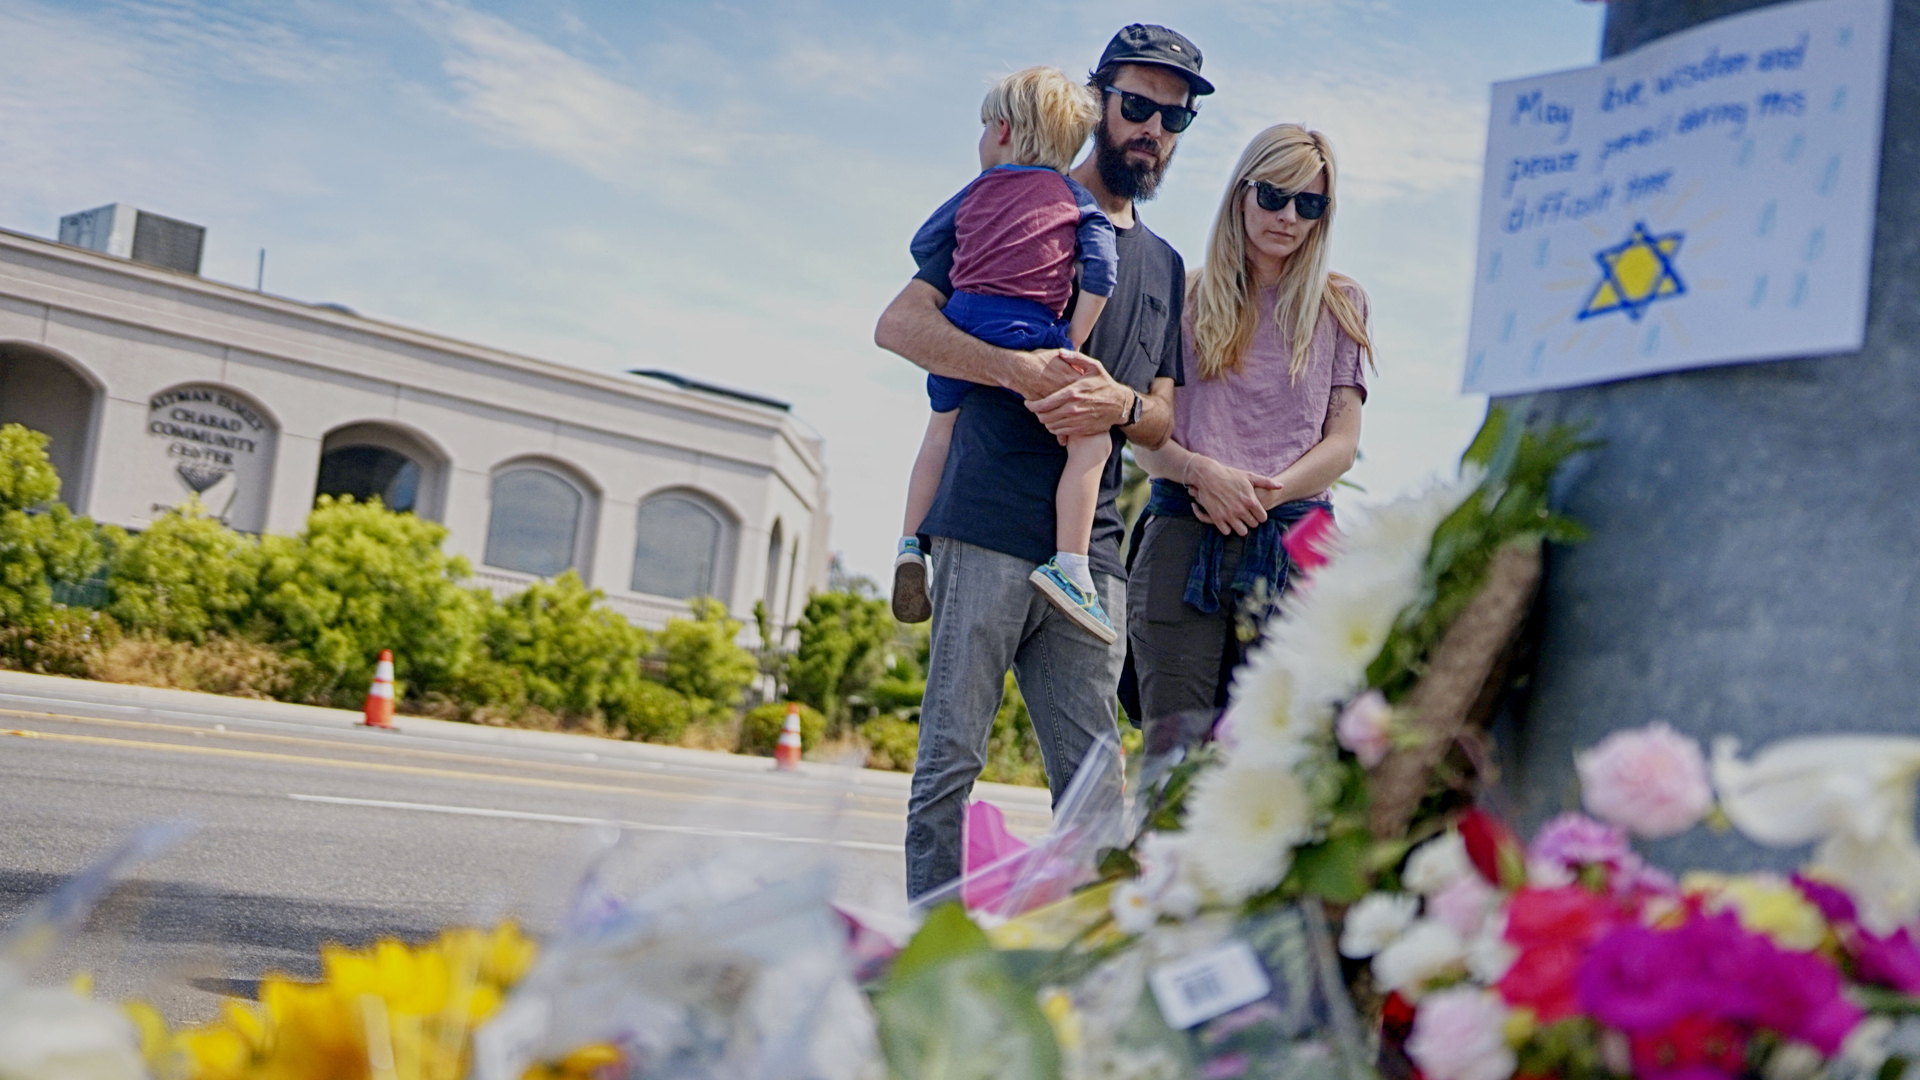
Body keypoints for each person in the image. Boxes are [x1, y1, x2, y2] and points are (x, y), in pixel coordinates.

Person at [875, 23, 1212, 902]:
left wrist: (1123, 407)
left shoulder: (1170, 267)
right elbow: (899, 325)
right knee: (949, 762)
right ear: (1098, 101)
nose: (1152, 130)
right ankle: (928, 958)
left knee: (1096, 790)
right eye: (1137, 106)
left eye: (1173, 120)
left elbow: (1164, 411)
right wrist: (1017, 369)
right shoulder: (1012, 197)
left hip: (1088, 555)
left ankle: (1084, 983)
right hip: (983, 521)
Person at [1129, 124, 1373, 724]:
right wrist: (1201, 474)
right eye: (1273, 195)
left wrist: (1263, 493)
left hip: (1297, 540)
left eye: (1309, 204)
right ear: (1241, 193)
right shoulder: (1180, 295)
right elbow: (1146, 437)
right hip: (1185, 533)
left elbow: (1342, 445)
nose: (1288, 216)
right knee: (1173, 764)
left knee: (1278, 759)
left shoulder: (1343, 305)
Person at [894, 66, 1119, 644]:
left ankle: (909, 545)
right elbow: (1102, 270)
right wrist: (1069, 337)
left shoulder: (974, 191)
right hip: (1031, 331)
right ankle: (1071, 568)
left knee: (938, 431)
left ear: (999, 130)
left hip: (963, 316)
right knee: (1090, 439)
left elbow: (924, 241)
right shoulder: (1072, 197)